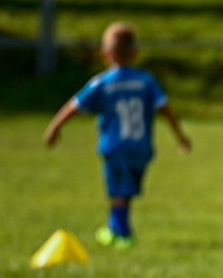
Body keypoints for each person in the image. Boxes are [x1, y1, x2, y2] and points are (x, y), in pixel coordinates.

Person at [44, 22, 191, 248]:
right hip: (141, 147)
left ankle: (123, 234)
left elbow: (75, 105)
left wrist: (55, 127)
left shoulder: (103, 82)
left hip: (115, 145)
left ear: (106, 54)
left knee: (118, 191)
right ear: (136, 53)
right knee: (125, 189)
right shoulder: (147, 81)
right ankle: (113, 228)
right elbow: (165, 109)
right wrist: (180, 136)